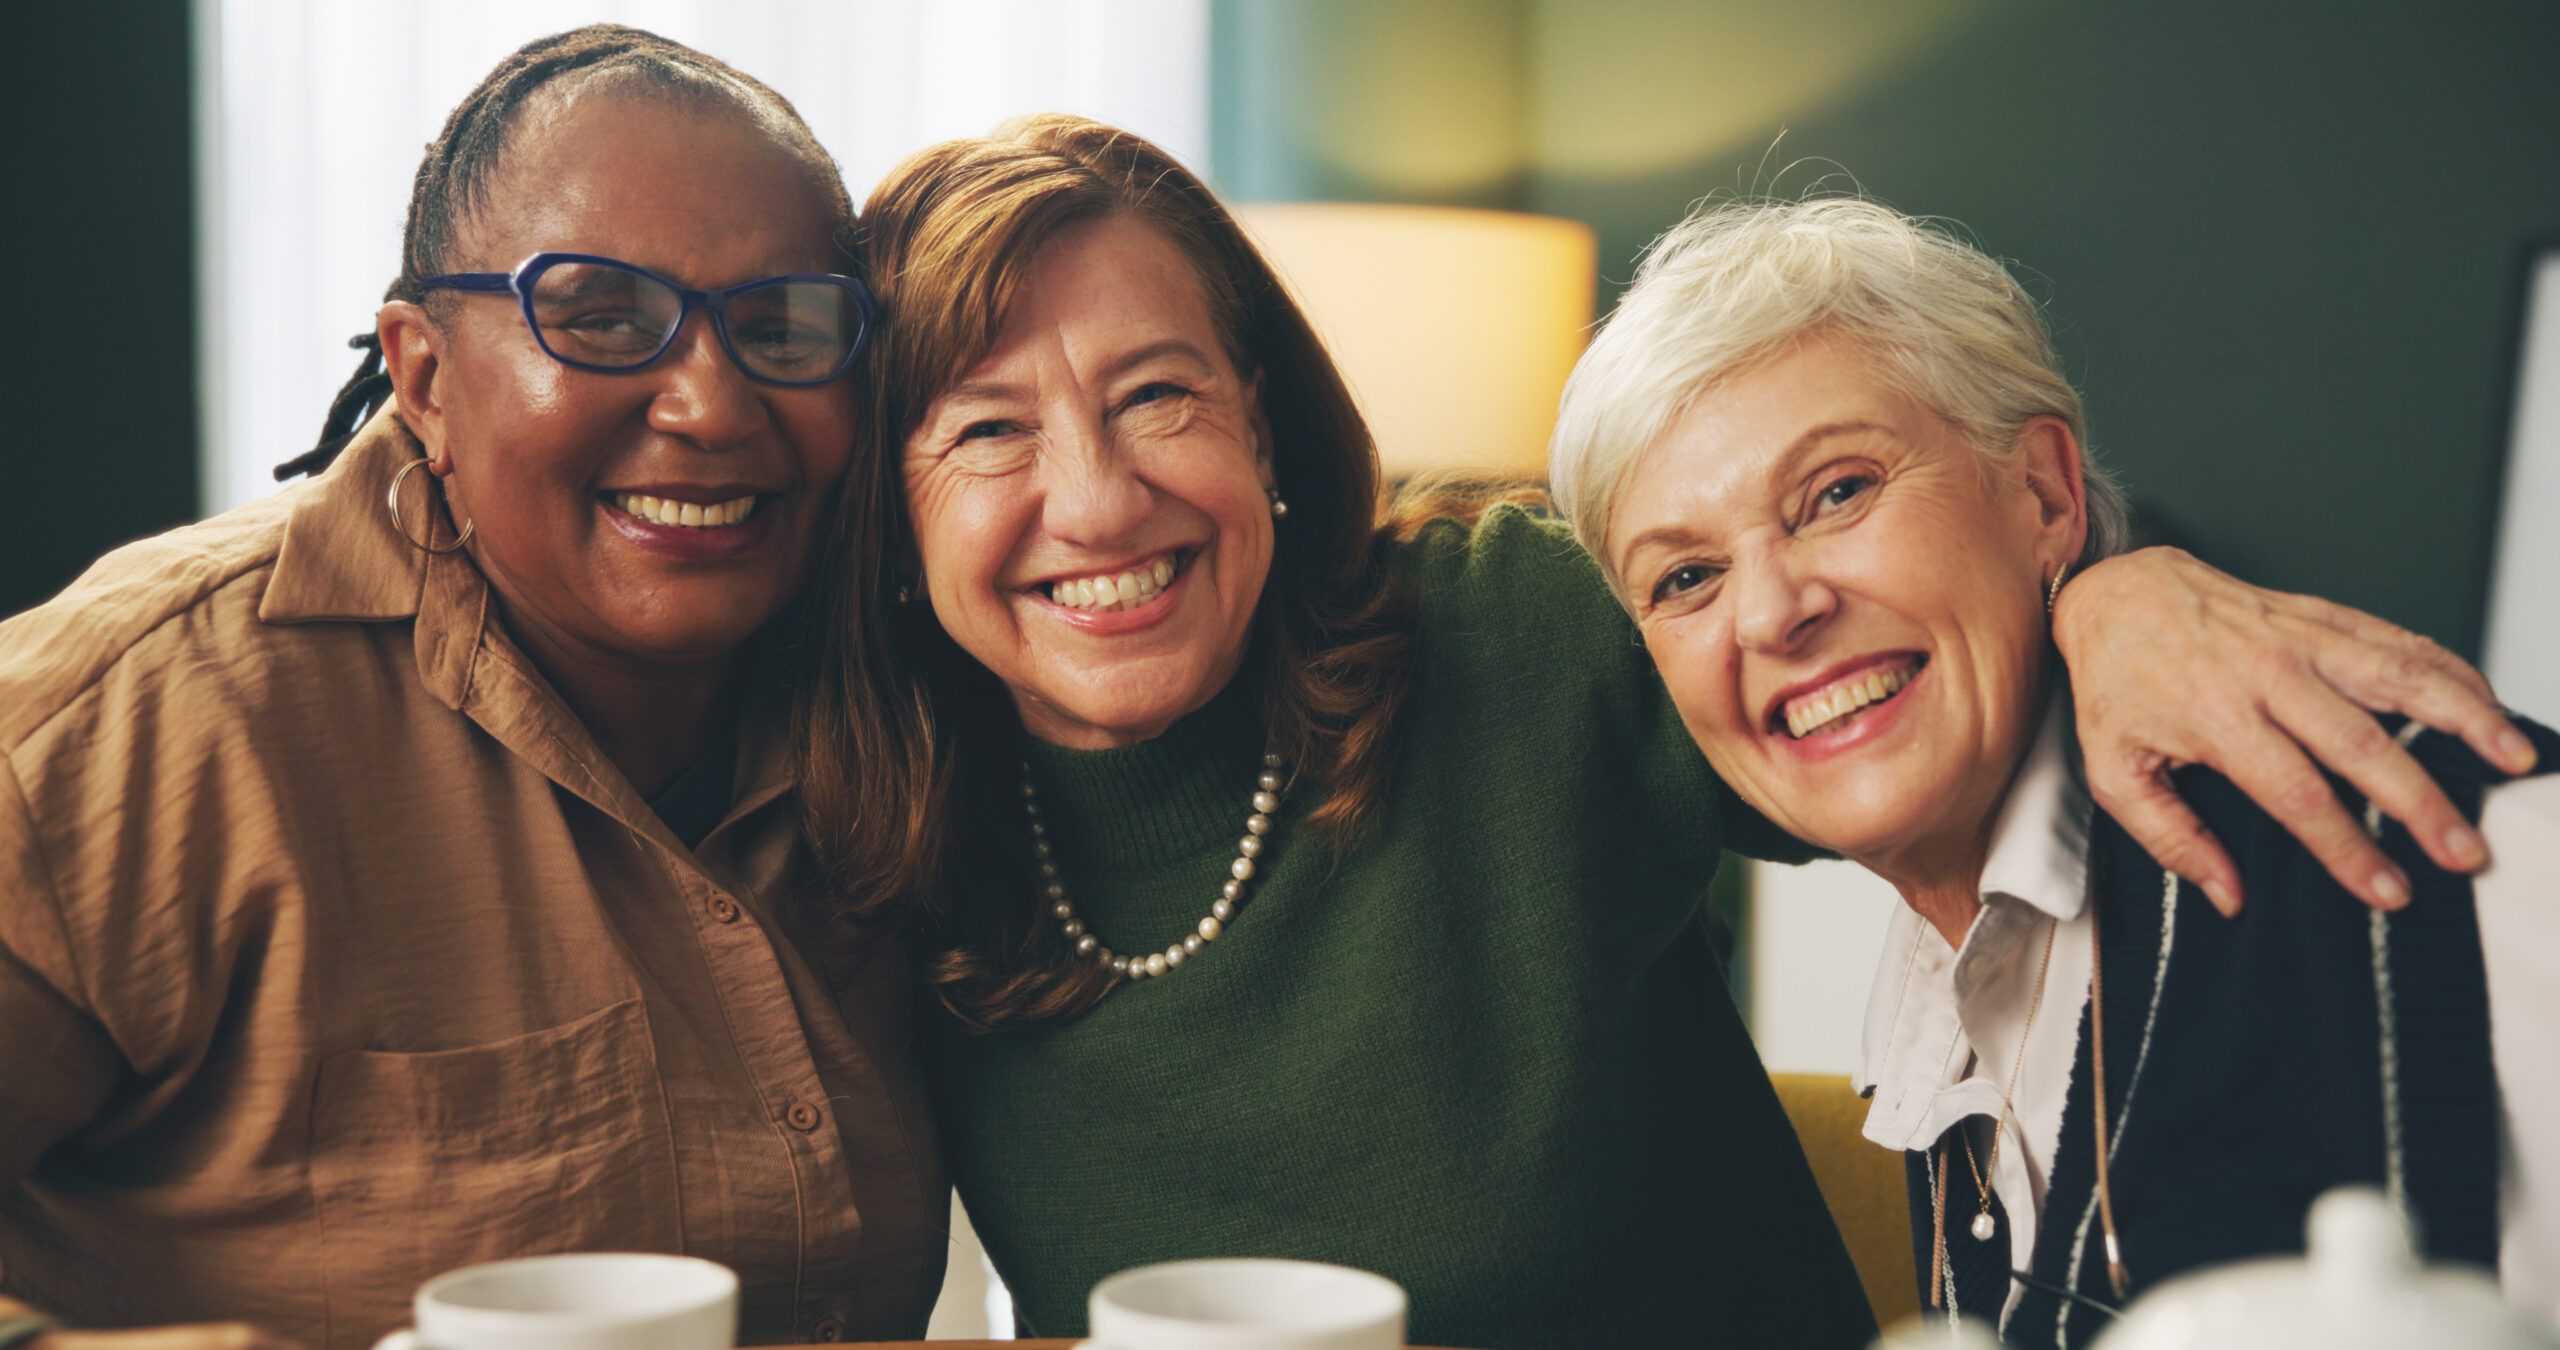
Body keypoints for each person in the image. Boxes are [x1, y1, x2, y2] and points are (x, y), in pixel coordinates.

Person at [797, 114, 2531, 1350]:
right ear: (888, 500)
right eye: (987, 431)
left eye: (1157, 391)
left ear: (1260, 414)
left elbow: (1882, 668)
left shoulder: (1515, 624)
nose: (1093, 498)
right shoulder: (866, 841)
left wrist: (2114, 591)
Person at [0, 27, 942, 1350]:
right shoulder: (134, 719)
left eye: (784, 326)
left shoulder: (901, 701)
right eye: (604, 317)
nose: (713, 406)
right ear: (423, 377)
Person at [1551, 195, 2560, 1345]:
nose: (1775, 613)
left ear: (2043, 496)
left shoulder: (2463, 851)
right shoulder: (1931, 1021)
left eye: (1838, 493)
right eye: (1684, 578)